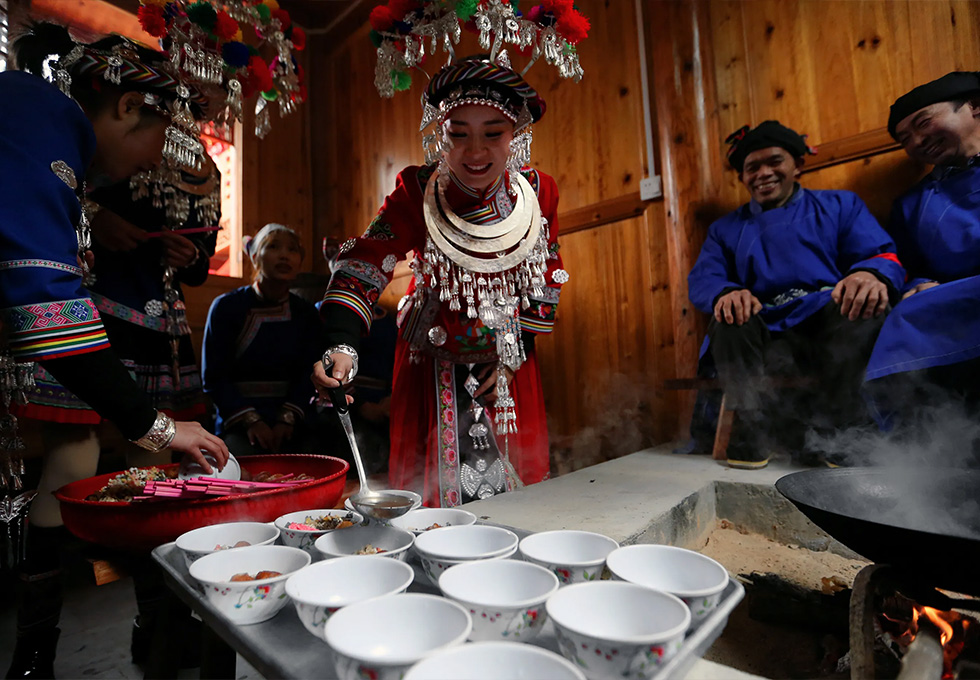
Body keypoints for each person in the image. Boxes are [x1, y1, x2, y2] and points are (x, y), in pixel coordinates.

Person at [0, 23, 234, 676]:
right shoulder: (41, 121)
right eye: (163, 128)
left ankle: (146, 628)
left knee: (147, 485)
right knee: (73, 471)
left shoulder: (43, 121)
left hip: (142, 331)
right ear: (129, 106)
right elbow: (45, 297)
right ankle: (35, 651)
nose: (160, 152)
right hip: (87, 325)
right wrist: (160, 426)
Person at [312, 0, 589, 507]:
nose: (475, 152)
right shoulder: (415, 189)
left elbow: (548, 275)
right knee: (436, 502)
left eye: (493, 134)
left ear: (519, 135)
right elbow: (363, 262)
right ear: (438, 134)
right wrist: (342, 343)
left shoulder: (540, 191)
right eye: (457, 136)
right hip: (430, 360)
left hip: (507, 360)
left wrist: (513, 357)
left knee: (516, 498)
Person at [687, 121, 906, 469]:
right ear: (743, 177)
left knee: (866, 308)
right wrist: (725, 293)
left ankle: (843, 431)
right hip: (765, 330)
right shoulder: (725, 229)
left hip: (825, 319)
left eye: (775, 161)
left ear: (797, 165)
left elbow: (880, 253)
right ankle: (753, 429)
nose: (763, 173)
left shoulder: (839, 206)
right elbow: (704, 278)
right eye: (752, 167)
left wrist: (869, 273)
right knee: (728, 319)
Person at [865, 72, 980, 421]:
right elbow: (909, 266)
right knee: (907, 315)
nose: (917, 141)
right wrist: (916, 285)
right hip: (953, 298)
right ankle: (935, 450)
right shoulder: (911, 204)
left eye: (924, 122)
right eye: (905, 138)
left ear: (974, 106)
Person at [203, 224, 323, 456]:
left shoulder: (306, 313)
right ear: (255, 257)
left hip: (294, 420)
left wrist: (287, 419)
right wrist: (251, 421)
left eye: (292, 249)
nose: (284, 255)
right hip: (239, 421)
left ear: (299, 262)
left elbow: (310, 373)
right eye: (273, 246)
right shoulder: (227, 307)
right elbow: (214, 377)